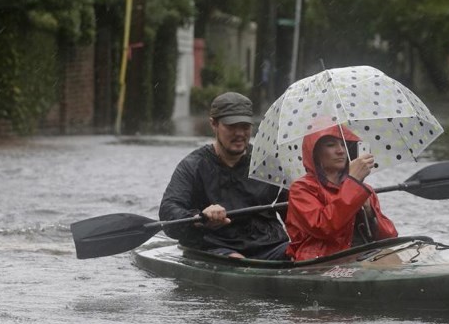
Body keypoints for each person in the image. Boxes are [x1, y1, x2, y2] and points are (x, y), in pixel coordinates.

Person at [158, 92, 289, 259]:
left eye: (245, 126)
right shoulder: (192, 166)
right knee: (237, 261)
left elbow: (293, 213)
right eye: (232, 127)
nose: (240, 133)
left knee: (298, 254)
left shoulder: (268, 164)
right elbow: (169, 211)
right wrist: (198, 217)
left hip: (269, 246)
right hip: (216, 247)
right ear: (214, 124)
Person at [284, 125, 397, 261]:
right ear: (314, 152)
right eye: (331, 145)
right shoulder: (301, 188)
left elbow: (390, 237)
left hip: (365, 257)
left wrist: (369, 212)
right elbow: (323, 227)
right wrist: (353, 183)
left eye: (344, 145)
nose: (341, 151)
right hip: (322, 261)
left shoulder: (363, 189)